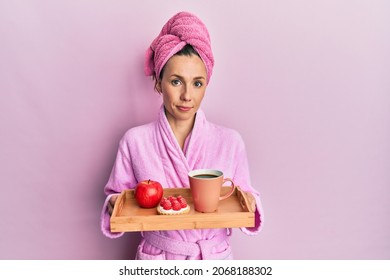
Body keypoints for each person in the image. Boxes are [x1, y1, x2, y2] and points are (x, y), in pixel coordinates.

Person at [100, 11, 263, 260]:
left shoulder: (230, 142)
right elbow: (117, 195)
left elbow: (248, 197)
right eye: (176, 82)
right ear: (158, 83)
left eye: (197, 83)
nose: (187, 95)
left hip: (213, 257)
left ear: (206, 85)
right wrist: (115, 204)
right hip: (159, 257)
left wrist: (250, 202)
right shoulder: (135, 141)